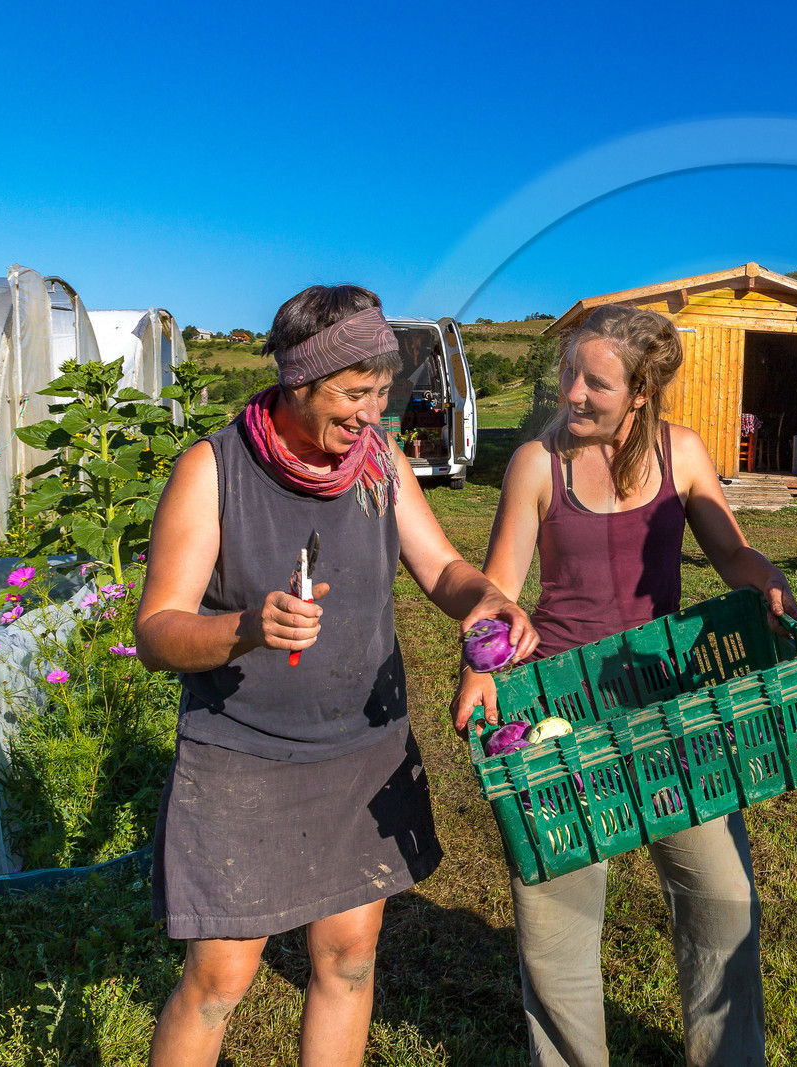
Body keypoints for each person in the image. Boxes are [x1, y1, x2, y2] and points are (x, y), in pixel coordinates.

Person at [135, 285, 536, 1067]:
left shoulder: (379, 461)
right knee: (220, 977)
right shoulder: (213, 470)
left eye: (381, 392)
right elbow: (156, 631)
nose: (372, 413)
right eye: (354, 394)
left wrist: (485, 598)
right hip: (242, 756)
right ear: (297, 383)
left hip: (361, 749)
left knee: (350, 957)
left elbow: (441, 566)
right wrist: (250, 627)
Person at [450, 303, 797, 1067]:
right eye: (567, 372)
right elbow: (503, 585)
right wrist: (482, 660)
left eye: (595, 382)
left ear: (640, 392)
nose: (571, 392)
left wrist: (767, 581)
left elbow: (733, 555)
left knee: (723, 905)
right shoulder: (538, 463)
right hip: (559, 714)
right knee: (556, 934)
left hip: (669, 708)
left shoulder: (684, 455)